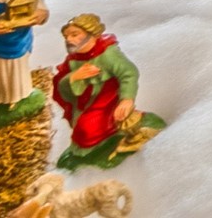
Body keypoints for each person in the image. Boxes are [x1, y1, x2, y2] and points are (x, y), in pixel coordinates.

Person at [51, 14, 164, 169]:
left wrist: (127, 99)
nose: (69, 40)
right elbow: (60, 86)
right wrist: (74, 77)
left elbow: (129, 72)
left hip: (108, 98)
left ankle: (133, 125)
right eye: (66, 36)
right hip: (85, 102)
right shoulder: (72, 59)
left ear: (90, 33)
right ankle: (90, 149)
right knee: (81, 129)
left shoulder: (107, 54)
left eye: (74, 35)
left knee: (86, 129)